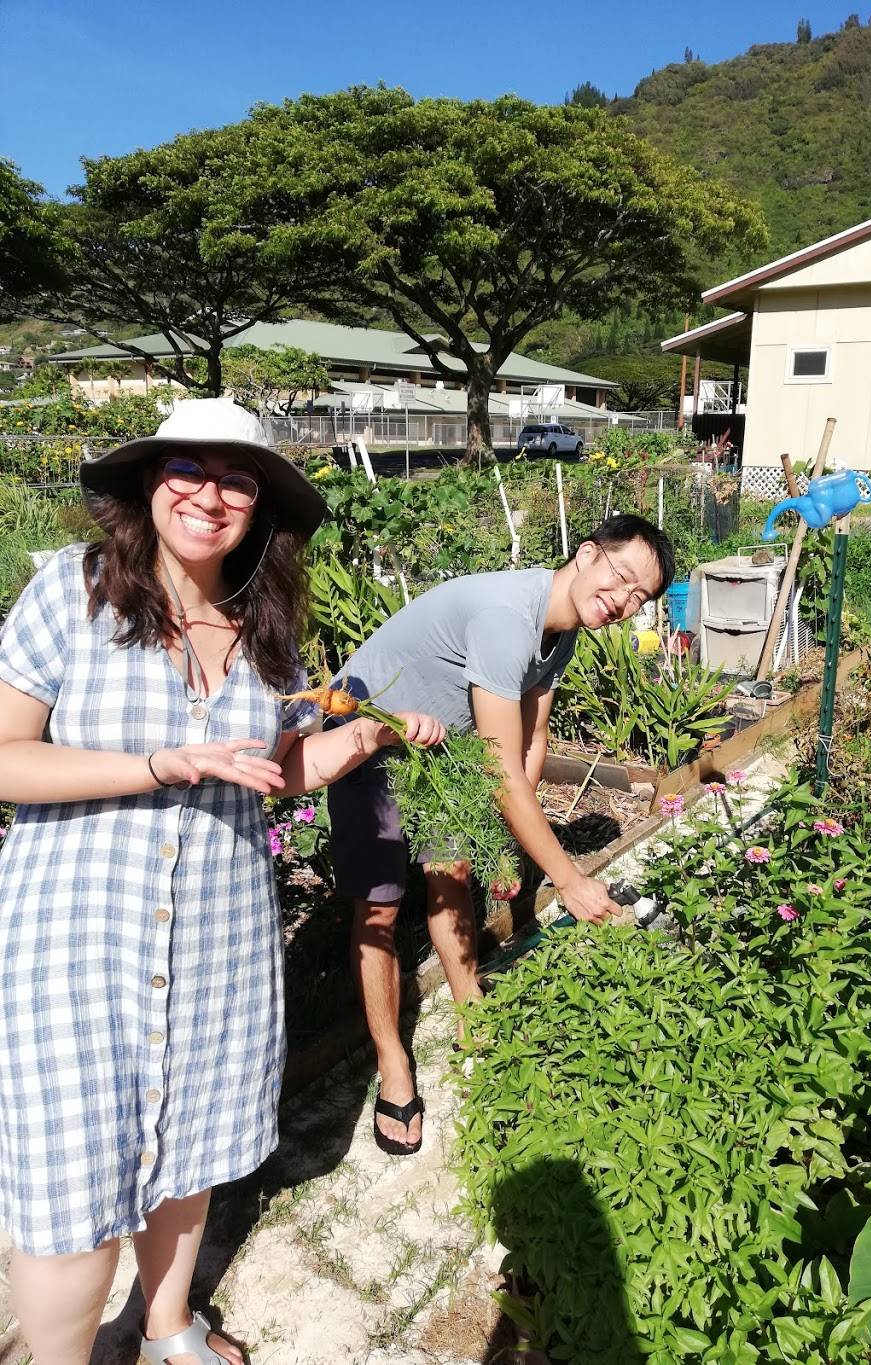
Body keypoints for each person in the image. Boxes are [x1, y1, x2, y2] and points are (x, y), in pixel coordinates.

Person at [0, 398, 443, 1365]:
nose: (210, 493)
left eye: (236, 478)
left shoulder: (263, 627)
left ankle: (167, 1329)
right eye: (187, 470)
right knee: (71, 1184)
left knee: (189, 1145)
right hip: (78, 939)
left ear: (261, 505)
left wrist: (362, 736)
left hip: (218, 935)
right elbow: (3, 757)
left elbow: (270, 772)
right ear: (148, 485)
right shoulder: (71, 593)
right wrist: (162, 763)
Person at [328, 514, 674, 1156]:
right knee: (379, 905)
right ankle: (392, 1064)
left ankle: (471, 1015)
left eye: (639, 598)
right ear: (588, 553)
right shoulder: (506, 618)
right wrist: (567, 881)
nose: (623, 602)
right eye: (621, 577)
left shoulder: (563, 632)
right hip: (368, 736)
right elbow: (499, 770)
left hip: (441, 750)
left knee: (452, 875)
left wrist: (503, 843)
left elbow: (531, 741)